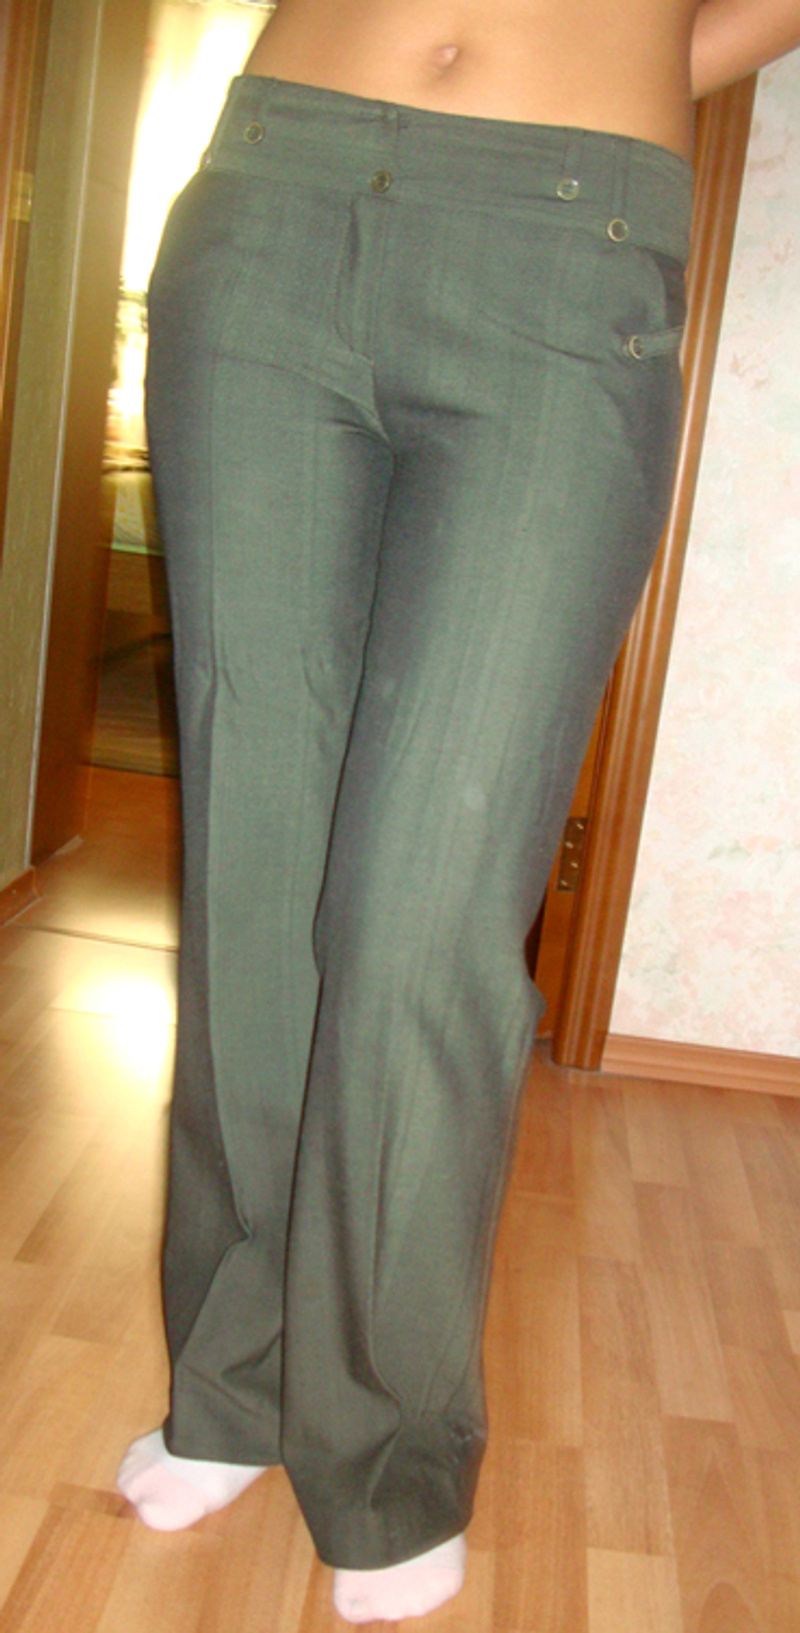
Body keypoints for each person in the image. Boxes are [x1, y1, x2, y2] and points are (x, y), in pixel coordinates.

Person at [117, 1, 800, 1622]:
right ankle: (233, 1376)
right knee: (253, 870)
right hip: (277, 191)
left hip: (571, 240)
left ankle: (386, 1452)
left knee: (422, 918)